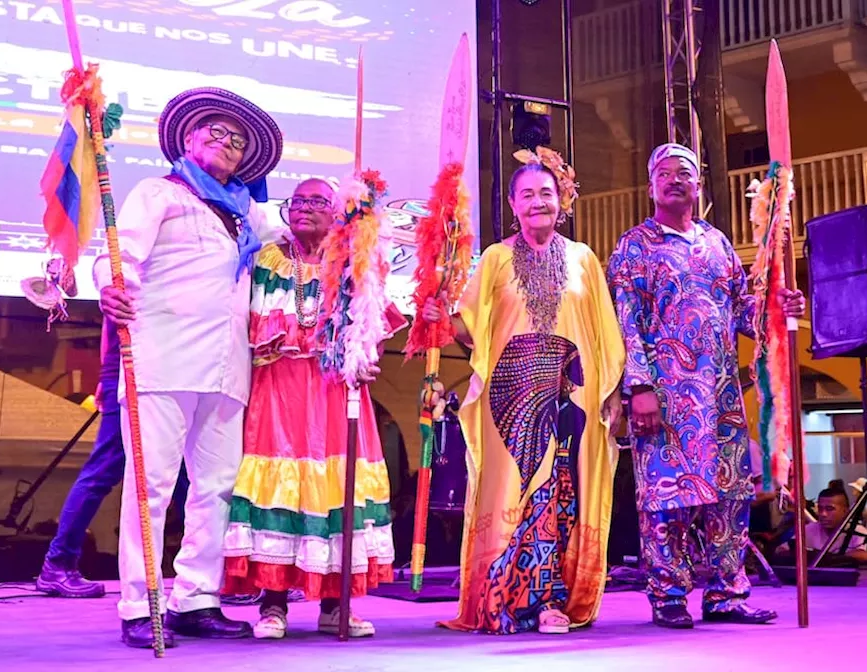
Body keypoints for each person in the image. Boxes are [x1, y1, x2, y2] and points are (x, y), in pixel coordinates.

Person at [95, 87, 288, 649]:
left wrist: (359, 204)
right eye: (216, 133)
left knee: (218, 488)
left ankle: (196, 598)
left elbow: (309, 226)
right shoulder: (158, 193)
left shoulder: (247, 213)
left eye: (237, 141)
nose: (226, 144)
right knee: (151, 487)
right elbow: (118, 257)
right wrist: (110, 290)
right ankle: (140, 602)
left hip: (228, 370)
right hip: (161, 359)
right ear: (188, 138)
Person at [421, 148, 627, 635]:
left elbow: (604, 332)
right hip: (509, 399)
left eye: (546, 193)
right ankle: (503, 597)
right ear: (513, 204)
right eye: (527, 195)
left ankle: (553, 599)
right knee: (512, 490)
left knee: (560, 495)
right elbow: (471, 328)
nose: (538, 202)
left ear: (563, 201)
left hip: (570, 399)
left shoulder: (583, 259)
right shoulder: (494, 258)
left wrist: (612, 393)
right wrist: (439, 318)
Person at [606, 142, 805, 629]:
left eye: (685, 173)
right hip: (665, 396)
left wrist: (780, 310)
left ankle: (726, 593)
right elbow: (625, 322)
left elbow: (743, 313)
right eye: (665, 173)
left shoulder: (717, 244)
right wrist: (639, 387)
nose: (675, 180)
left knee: (730, 495)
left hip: (720, 396)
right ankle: (669, 594)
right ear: (652, 184)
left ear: (699, 184)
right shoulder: (635, 246)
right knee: (667, 498)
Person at [221, 178, 405, 639]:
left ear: (337, 212)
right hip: (278, 389)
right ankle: (273, 604)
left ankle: (332, 605)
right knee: (282, 490)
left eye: (317, 201)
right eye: (297, 201)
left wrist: (365, 358)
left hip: (335, 389)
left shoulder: (355, 261)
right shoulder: (266, 258)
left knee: (333, 491)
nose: (304, 208)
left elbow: (371, 324)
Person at [36, 320, 124, 599]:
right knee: (102, 471)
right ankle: (58, 563)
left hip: (144, 379)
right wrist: (110, 376)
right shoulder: (128, 277)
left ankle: (206, 577)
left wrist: (107, 375)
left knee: (188, 476)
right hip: (131, 380)